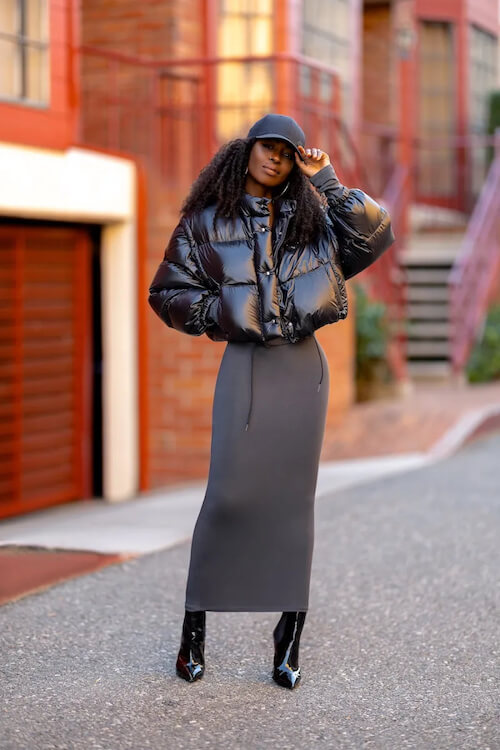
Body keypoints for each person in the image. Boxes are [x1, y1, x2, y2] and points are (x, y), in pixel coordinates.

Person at [148, 113, 395, 689]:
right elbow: (168, 291)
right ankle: (193, 632)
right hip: (245, 367)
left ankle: (289, 638)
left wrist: (328, 183)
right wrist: (219, 314)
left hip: (303, 369)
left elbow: (375, 233)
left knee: (293, 507)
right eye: (269, 147)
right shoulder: (206, 221)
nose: (277, 159)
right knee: (227, 498)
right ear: (247, 149)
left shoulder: (314, 223)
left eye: (288, 153)